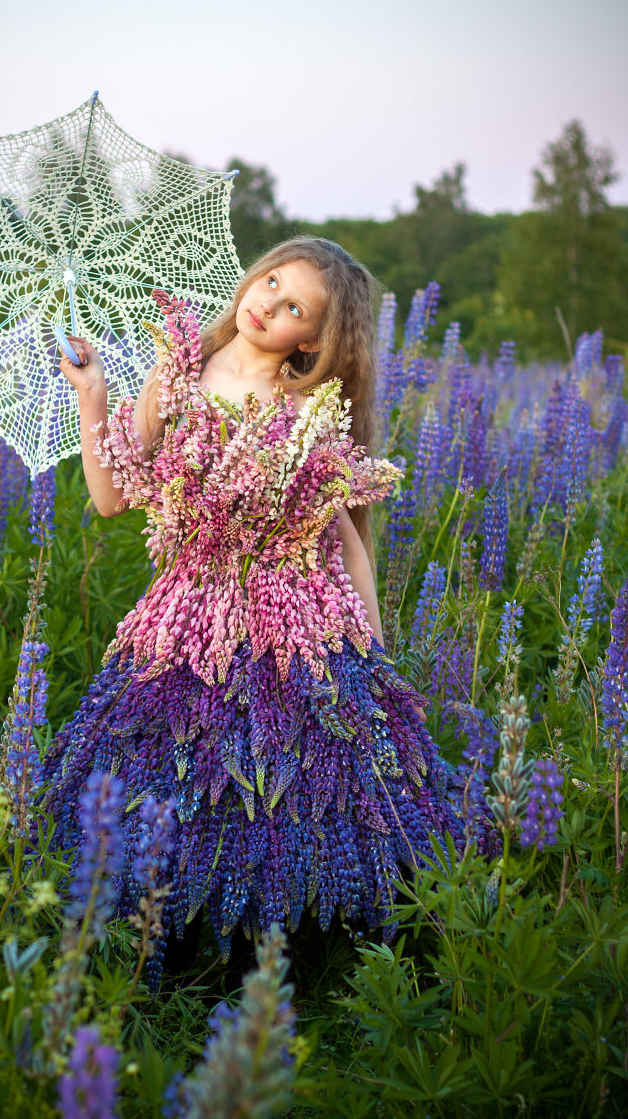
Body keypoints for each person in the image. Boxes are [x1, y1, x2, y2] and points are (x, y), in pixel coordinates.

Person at [40, 237, 463, 989]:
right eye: (269, 281)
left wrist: (370, 649)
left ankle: (301, 944)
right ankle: (156, 939)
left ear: (315, 339)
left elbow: (347, 541)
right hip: (188, 616)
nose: (267, 303)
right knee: (167, 766)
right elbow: (111, 499)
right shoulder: (176, 375)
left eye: (293, 304)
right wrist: (92, 397)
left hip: (297, 617)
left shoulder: (310, 413)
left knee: (304, 778)